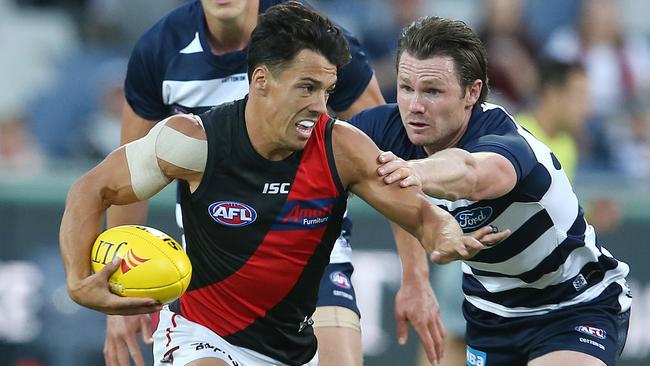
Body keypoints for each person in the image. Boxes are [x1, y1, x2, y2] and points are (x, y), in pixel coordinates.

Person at [59, 4, 506, 366]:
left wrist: (442, 234)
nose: (320, 106)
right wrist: (78, 281)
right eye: (306, 88)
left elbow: (420, 214)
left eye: (327, 92)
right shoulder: (193, 142)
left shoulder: (343, 148)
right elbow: (91, 189)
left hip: (292, 348)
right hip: (202, 336)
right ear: (261, 81)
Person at [106, 1, 387, 365]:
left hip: (314, 252)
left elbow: (387, 166)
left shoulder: (315, 44)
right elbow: (125, 178)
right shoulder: (159, 50)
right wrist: (119, 292)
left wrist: (415, 279)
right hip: (216, 265)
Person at [349, 16, 632, 366]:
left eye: (433, 91)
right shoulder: (388, 128)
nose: (415, 106)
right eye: (406, 88)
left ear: (472, 92)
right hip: (490, 313)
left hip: (571, 306)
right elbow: (319, 149)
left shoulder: (505, 139)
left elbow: (471, 172)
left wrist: (411, 170)